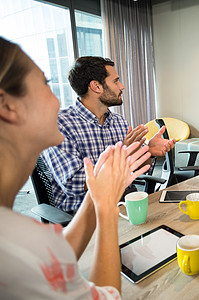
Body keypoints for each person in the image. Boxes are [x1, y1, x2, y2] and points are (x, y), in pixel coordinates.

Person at [0, 37, 150, 298]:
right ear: (7, 105)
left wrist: (137, 155)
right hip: (90, 214)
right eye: (46, 85)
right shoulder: (14, 247)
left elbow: (55, 254)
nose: (58, 101)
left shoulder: (22, 235)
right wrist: (105, 207)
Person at [43, 56, 176, 213]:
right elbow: (74, 183)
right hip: (86, 213)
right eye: (115, 81)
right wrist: (120, 156)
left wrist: (148, 153)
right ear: (96, 86)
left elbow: (137, 169)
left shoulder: (119, 121)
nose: (122, 86)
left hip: (123, 202)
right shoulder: (59, 125)